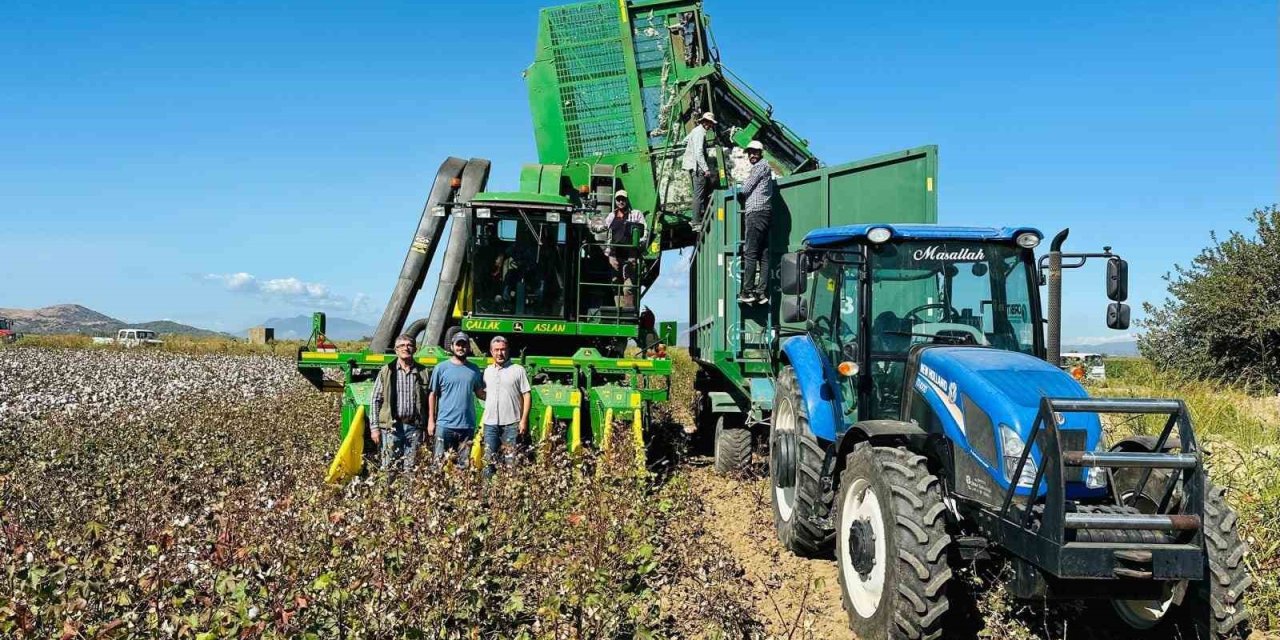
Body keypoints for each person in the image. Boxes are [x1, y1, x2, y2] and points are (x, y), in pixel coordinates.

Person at [369, 334, 432, 473]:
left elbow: (430, 401)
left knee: (412, 469)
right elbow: (375, 400)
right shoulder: (387, 371)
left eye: (409, 345)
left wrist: (428, 425)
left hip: (414, 427)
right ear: (396, 350)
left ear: (415, 349)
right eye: (401, 345)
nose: (406, 348)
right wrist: (374, 428)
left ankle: (407, 488)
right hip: (391, 428)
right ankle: (388, 488)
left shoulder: (423, 372)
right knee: (389, 468)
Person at [429, 331, 486, 467]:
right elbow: (432, 394)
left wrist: (499, 396)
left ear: (469, 348)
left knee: (463, 466)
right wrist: (431, 420)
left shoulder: (474, 369)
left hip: (467, 426)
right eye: (458, 345)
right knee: (439, 464)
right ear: (452, 347)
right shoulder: (441, 368)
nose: (461, 348)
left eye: (464, 345)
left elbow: (480, 393)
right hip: (445, 425)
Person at [481, 336, 531, 477]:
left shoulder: (518, 370)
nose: (500, 353)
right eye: (496, 350)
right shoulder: (487, 372)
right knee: (488, 463)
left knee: (511, 464)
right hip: (490, 424)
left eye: (503, 349)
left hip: (511, 424)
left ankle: (509, 490)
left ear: (508, 350)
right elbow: (482, 393)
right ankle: (487, 491)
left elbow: (527, 395)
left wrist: (523, 420)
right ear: (491, 352)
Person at [738, 140, 774, 305]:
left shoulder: (759, 167)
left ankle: (747, 291)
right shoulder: (766, 167)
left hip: (755, 213)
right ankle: (761, 292)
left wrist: (739, 188)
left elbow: (745, 189)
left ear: (761, 153)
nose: (752, 155)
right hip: (766, 213)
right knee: (764, 256)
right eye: (750, 152)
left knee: (750, 253)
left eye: (755, 152)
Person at [681, 112, 716, 225]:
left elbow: (684, 141)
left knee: (700, 193)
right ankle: (696, 221)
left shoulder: (695, 131)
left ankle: (700, 218)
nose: (710, 125)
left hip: (693, 166)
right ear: (704, 122)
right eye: (709, 123)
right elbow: (699, 153)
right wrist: (706, 169)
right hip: (698, 168)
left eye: (711, 123)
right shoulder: (700, 133)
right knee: (699, 195)